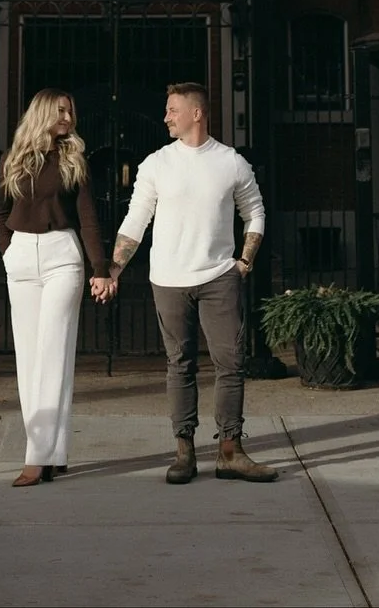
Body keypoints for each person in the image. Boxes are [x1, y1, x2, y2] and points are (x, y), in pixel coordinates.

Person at [108, 81, 276, 485]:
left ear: (196, 113)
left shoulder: (231, 162)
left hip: (219, 276)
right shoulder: (156, 164)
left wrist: (244, 261)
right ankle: (184, 452)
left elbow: (255, 211)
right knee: (179, 364)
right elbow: (136, 221)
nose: (166, 116)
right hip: (167, 278)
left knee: (230, 364)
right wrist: (114, 268)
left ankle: (230, 453)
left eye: (172, 109)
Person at [0, 88, 113, 487]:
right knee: (29, 360)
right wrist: (8, 251)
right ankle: (54, 452)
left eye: (71, 110)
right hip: (22, 256)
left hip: (63, 255)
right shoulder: (13, 159)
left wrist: (101, 268)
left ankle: (35, 458)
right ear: (43, 112)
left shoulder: (72, 159)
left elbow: (87, 216)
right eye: (61, 109)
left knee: (53, 355)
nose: (67, 116)